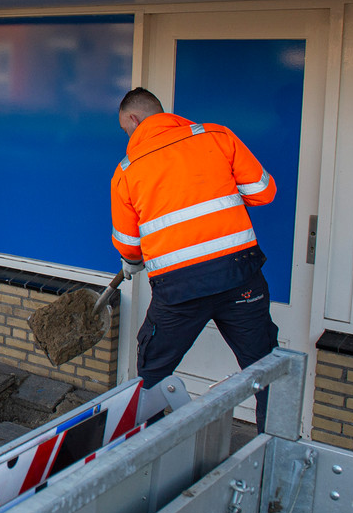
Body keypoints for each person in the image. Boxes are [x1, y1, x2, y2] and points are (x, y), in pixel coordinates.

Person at [110, 87, 277, 430]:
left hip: (179, 291)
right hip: (240, 278)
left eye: (127, 130)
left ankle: (148, 452)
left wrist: (132, 261)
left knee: (154, 371)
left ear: (133, 119)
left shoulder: (127, 170)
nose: (129, 136)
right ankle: (274, 448)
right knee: (265, 369)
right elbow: (264, 192)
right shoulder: (217, 135)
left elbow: (129, 246)